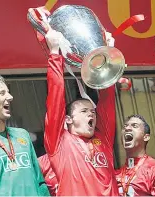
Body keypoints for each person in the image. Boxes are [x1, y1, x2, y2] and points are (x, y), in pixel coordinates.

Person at [44, 29, 119, 196]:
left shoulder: (103, 138)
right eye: (84, 111)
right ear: (68, 119)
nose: (91, 114)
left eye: (92, 111)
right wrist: (55, 53)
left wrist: (108, 53)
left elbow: (107, 101)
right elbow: (55, 100)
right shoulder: (59, 143)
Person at [0, 75, 50, 196]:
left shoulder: (22, 134)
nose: (10, 97)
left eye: (8, 92)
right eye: (2, 93)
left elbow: (39, 180)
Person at [115, 114, 155, 196]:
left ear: (146, 137)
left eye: (134, 126)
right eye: (125, 126)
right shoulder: (115, 174)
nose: (127, 128)